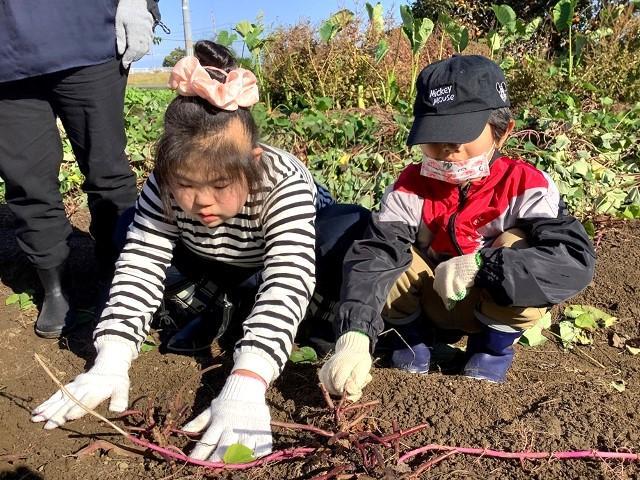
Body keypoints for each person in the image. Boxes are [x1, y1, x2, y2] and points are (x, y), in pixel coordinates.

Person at [31, 41, 369, 462]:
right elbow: (141, 261)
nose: (201, 202)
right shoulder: (162, 185)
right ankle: (220, 307)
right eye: (186, 187)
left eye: (220, 186)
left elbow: (288, 274)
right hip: (210, 259)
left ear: (253, 161)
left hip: (267, 262)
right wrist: (111, 358)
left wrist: (247, 380)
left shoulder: (282, 182)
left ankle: (282, 320)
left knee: (345, 230)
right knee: (126, 231)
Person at [319, 54, 596, 401]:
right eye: (436, 138)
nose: (449, 150)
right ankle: (413, 345)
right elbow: (376, 254)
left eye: (461, 136)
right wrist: (355, 335)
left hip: (493, 302)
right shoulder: (409, 186)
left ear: (503, 132)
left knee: (517, 242)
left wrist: (483, 265)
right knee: (392, 258)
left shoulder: (527, 185)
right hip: (429, 302)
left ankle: (489, 352)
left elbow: (573, 261)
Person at [0, 0, 161, 338]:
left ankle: (122, 275)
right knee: (26, 181)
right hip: (6, 54)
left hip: (89, 37)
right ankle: (54, 286)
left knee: (107, 171)